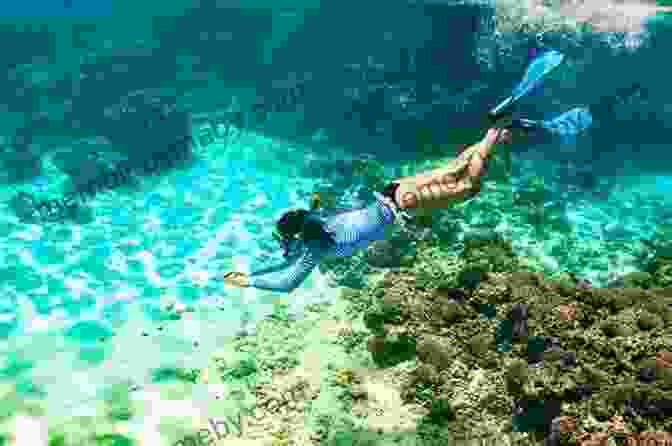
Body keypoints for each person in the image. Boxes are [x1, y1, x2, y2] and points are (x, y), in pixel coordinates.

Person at [221, 127, 513, 292]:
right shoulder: (315, 226)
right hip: (394, 190)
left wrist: (250, 282)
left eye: (285, 238)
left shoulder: (316, 247)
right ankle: (495, 134)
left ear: (298, 236)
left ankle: (493, 132)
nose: (284, 244)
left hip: (404, 203)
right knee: (454, 170)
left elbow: (288, 282)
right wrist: (251, 274)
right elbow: (285, 263)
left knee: (467, 187)